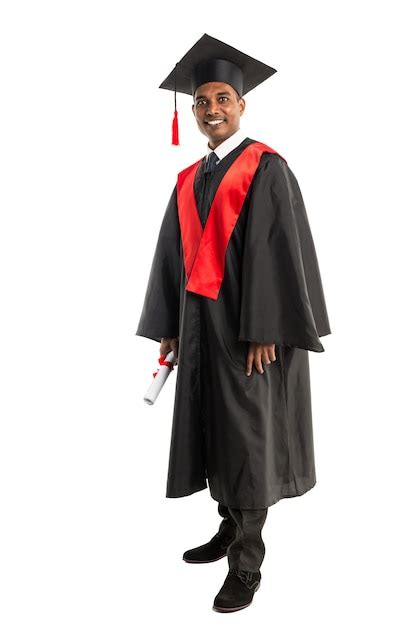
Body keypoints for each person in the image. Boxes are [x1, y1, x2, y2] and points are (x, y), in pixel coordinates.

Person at [135, 33, 331, 613]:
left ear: (242, 103)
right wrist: (170, 325)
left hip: (251, 335)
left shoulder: (267, 168)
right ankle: (227, 530)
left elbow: (280, 253)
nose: (212, 109)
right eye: (202, 101)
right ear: (192, 110)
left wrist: (267, 328)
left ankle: (248, 561)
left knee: (247, 441)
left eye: (223, 97)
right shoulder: (189, 178)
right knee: (213, 432)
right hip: (201, 332)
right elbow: (174, 256)